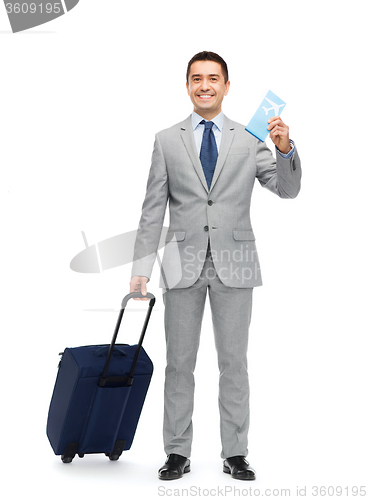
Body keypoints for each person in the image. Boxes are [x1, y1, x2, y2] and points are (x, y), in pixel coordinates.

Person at [129, 51, 301, 481]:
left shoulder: (249, 138)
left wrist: (285, 149)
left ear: (227, 86)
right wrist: (141, 269)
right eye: (196, 79)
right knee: (179, 363)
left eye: (213, 79)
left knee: (234, 363)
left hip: (236, 262)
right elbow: (152, 210)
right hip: (182, 263)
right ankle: (176, 451)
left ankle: (236, 452)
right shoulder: (167, 139)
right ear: (187, 85)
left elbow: (287, 189)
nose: (204, 85)